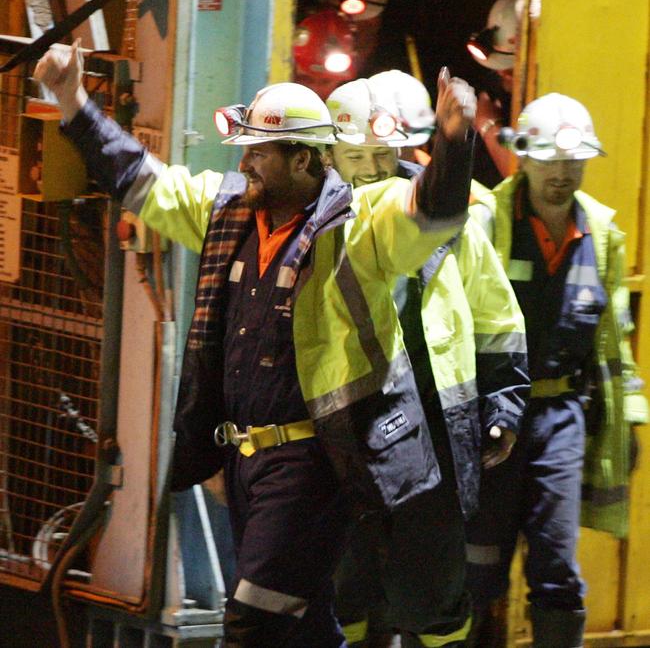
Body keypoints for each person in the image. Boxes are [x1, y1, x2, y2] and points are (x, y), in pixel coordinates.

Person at [34, 42, 478, 647]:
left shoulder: (358, 222)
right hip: (244, 464)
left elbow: (431, 214)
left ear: (303, 160)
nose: (245, 165)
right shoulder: (231, 215)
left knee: (251, 624)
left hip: (313, 462)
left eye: (259, 153)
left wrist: (455, 139)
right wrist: (72, 99)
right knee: (306, 628)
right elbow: (143, 181)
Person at [325, 71, 530, 647]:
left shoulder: (454, 218)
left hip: (438, 435)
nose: (369, 168)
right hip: (344, 436)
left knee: (433, 597)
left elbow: (496, 318)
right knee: (346, 587)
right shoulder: (310, 226)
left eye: (380, 154)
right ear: (327, 154)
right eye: (354, 155)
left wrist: (504, 407)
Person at [466, 93, 648, 648]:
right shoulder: (486, 223)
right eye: (549, 158)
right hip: (490, 418)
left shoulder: (603, 236)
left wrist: (633, 415)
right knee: (478, 568)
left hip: (561, 418)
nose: (563, 172)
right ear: (522, 156)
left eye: (574, 160)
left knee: (556, 565)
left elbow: (614, 342)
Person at [467, 0, 520, 187]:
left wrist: (488, 125)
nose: (502, 72)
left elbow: (522, 178)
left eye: (512, 68)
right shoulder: (492, 90)